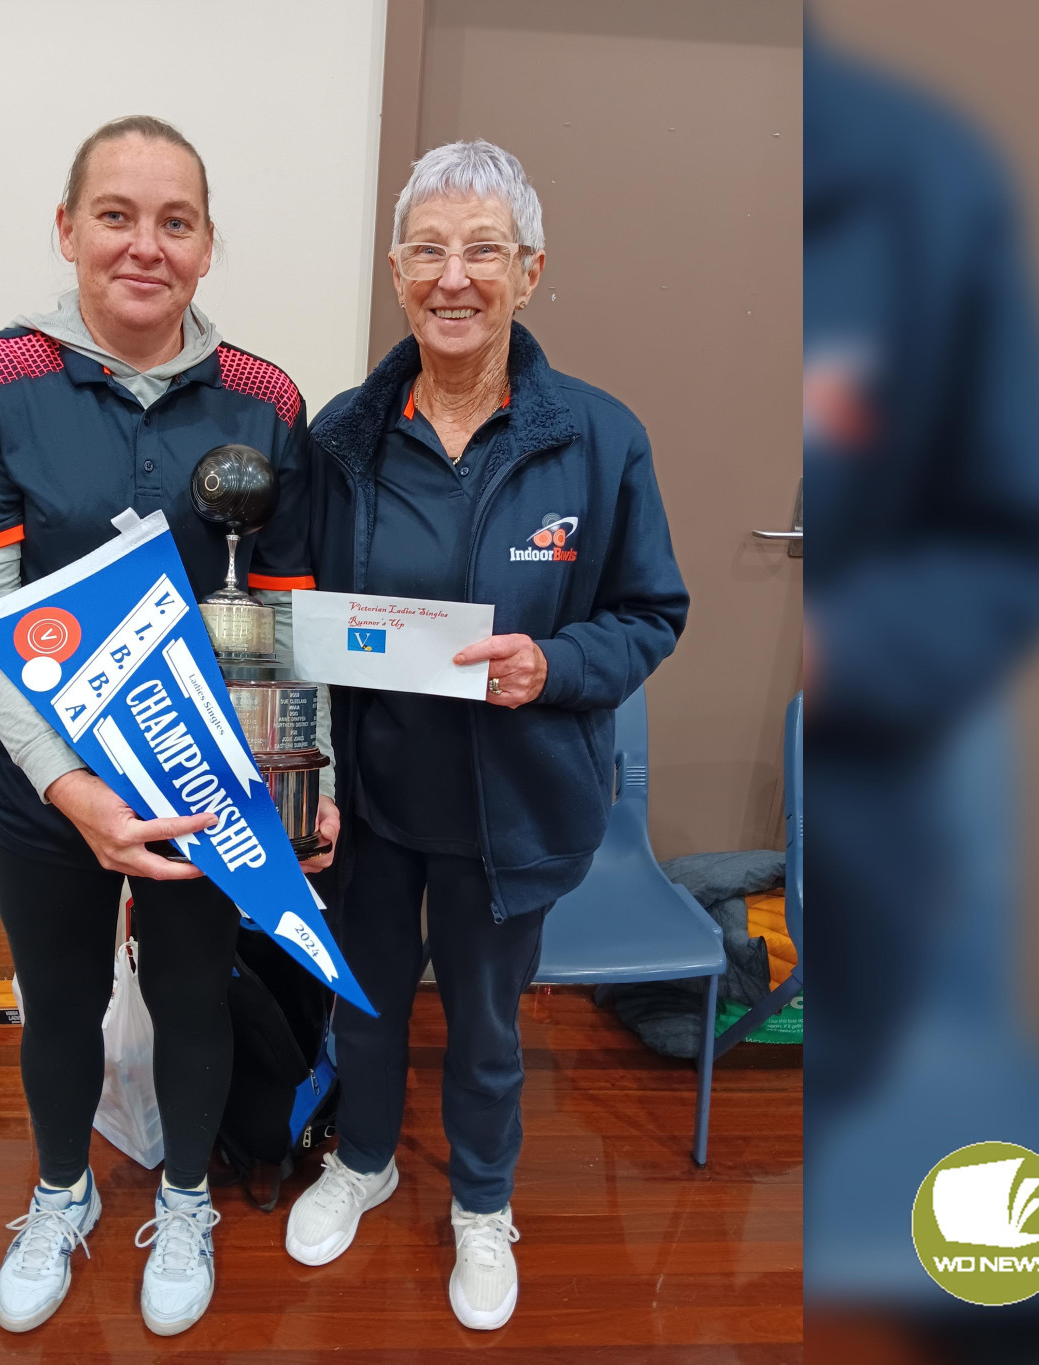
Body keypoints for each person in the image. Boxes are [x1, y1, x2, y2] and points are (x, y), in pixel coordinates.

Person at [0, 115, 339, 1337]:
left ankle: (188, 1195)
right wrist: (67, 786)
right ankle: (61, 1195)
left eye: (175, 222)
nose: (142, 246)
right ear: (68, 229)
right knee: (57, 1003)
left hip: (198, 779)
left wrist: (301, 786)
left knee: (192, 997)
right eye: (116, 216)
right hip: (41, 786)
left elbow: (288, 614)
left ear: (208, 246)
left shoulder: (266, 400)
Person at [288, 140, 690, 1330]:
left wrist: (553, 664)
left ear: (527, 271)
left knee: (483, 1023)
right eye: (426, 250)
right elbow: (298, 615)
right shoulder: (340, 437)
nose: (451, 276)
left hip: (510, 807)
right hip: (364, 799)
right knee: (360, 1001)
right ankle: (361, 1163)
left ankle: (479, 1205)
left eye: (481, 251)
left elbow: (650, 614)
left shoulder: (596, 439)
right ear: (396, 271)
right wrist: (306, 769)